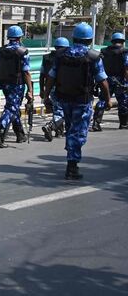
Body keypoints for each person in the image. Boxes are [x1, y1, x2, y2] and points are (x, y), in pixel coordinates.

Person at [44, 22, 109, 180]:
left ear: (73, 37)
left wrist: (46, 96)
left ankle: (71, 157)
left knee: (71, 129)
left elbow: (51, 77)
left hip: (64, 98)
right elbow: (102, 80)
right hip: (82, 101)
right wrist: (107, 99)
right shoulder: (93, 56)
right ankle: (72, 166)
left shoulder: (61, 54)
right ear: (89, 39)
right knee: (78, 132)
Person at [0, 26, 33, 147]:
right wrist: (30, 90)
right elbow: (26, 72)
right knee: (11, 108)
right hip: (17, 85)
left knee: (13, 106)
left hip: (3, 83)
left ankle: (20, 134)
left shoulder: (1, 50)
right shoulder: (23, 51)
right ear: (20, 37)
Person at [92, 32, 128, 131]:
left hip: (106, 80)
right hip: (120, 80)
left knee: (103, 100)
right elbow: (126, 68)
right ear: (122, 41)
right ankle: (124, 124)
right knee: (123, 101)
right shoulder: (124, 51)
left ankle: (96, 123)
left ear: (112, 41)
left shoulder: (104, 51)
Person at [39, 37, 70, 141]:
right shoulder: (67, 57)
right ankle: (51, 126)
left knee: (58, 109)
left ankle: (59, 131)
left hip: (50, 87)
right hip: (64, 87)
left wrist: (42, 90)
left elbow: (42, 75)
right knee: (65, 110)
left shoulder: (47, 57)